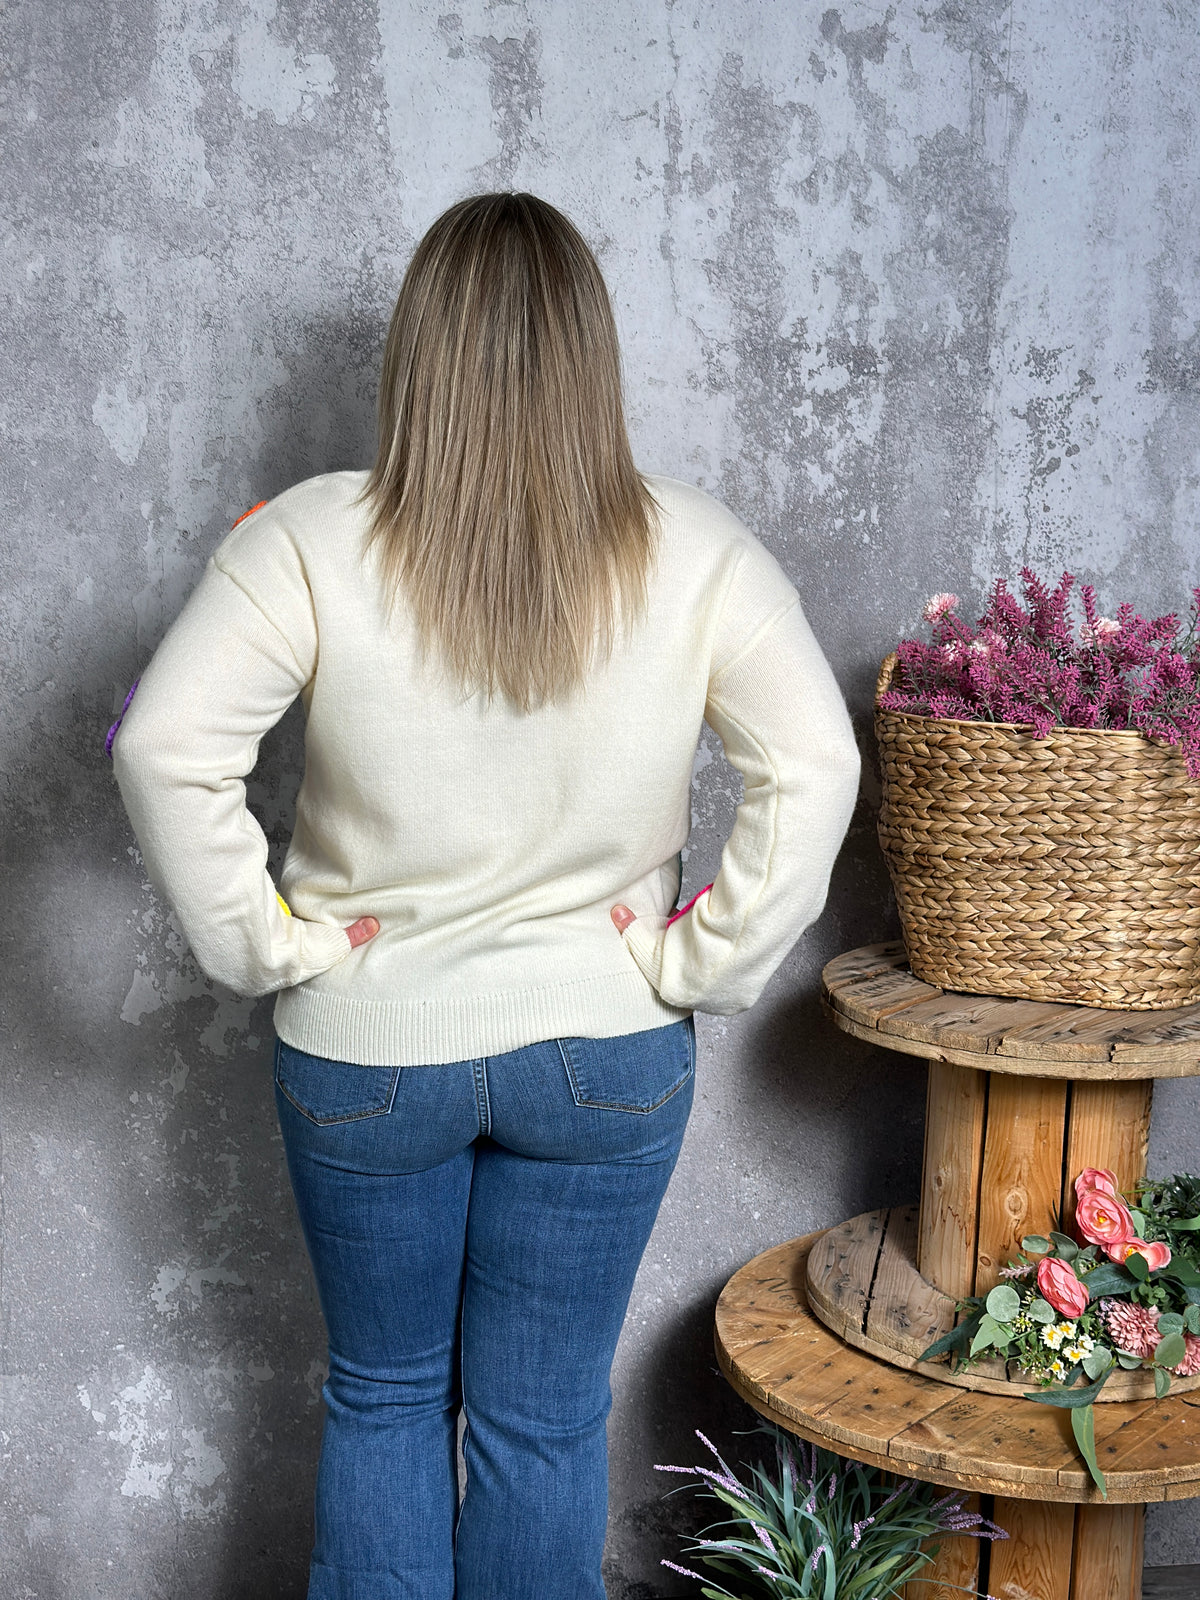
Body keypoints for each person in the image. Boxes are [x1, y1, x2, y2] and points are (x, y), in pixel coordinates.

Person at [110, 191, 860, 1600]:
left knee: (386, 1398)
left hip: (366, 1051)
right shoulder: (697, 549)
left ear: (418, 351)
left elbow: (164, 746)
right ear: (593, 357)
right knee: (542, 1420)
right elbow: (817, 763)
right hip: (608, 1052)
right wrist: (704, 964)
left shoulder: (312, 540)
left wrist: (263, 945)